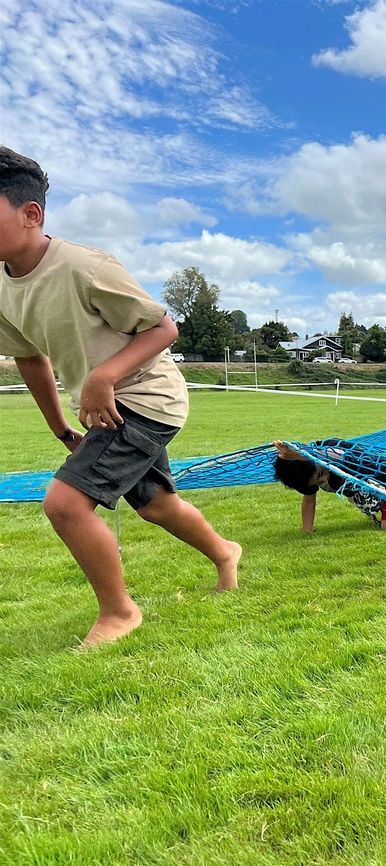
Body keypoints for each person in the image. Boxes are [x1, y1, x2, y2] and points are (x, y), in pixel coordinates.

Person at [0, 146, 240, 647]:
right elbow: (30, 359)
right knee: (154, 504)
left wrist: (104, 376)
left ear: (31, 214)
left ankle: (119, 612)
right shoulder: (4, 287)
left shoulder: (85, 267)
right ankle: (225, 553)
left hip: (148, 398)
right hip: (106, 408)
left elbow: (163, 328)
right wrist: (59, 426)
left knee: (64, 504)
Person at [272, 440, 386, 532]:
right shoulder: (302, 476)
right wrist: (307, 531)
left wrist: (299, 455)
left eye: (320, 474)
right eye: (318, 482)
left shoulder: (330, 450)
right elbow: (309, 501)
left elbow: (330, 456)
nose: (323, 479)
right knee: (382, 516)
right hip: (366, 487)